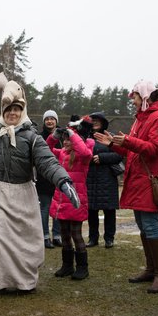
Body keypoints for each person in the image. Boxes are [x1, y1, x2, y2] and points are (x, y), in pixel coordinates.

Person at [0, 79, 79, 293]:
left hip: (22, 194)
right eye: (8, 109)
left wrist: (64, 181)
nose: (12, 113)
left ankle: (24, 282)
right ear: (3, 111)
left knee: (24, 241)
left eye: (16, 109)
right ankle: (1, 280)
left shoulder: (32, 137)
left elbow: (48, 162)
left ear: (22, 111)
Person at [94, 80, 158, 294]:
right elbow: (134, 151)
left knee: (150, 225)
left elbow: (155, 149)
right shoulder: (142, 118)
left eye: (136, 97)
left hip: (150, 181)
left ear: (146, 97)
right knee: (143, 224)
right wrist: (114, 144)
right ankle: (151, 270)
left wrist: (128, 141)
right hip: (140, 180)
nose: (133, 102)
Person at [47, 116, 93, 280]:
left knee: (76, 235)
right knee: (65, 235)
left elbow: (86, 151)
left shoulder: (82, 156)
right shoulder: (61, 154)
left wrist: (72, 134)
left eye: (68, 140)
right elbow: (46, 148)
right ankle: (67, 266)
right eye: (64, 140)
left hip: (76, 201)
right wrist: (55, 136)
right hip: (61, 200)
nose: (65, 142)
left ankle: (82, 267)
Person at [85, 112, 122, 249]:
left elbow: (119, 154)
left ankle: (109, 238)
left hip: (107, 178)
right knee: (91, 210)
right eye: (92, 120)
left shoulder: (109, 136)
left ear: (103, 122)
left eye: (97, 120)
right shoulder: (85, 136)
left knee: (109, 210)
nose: (94, 122)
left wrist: (102, 158)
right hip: (90, 177)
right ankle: (93, 238)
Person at [36, 110, 63, 249]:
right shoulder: (39, 137)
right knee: (45, 208)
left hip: (59, 177)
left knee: (58, 208)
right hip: (44, 178)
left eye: (52, 118)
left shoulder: (63, 137)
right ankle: (45, 237)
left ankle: (57, 236)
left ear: (56, 121)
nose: (50, 121)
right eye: (47, 119)